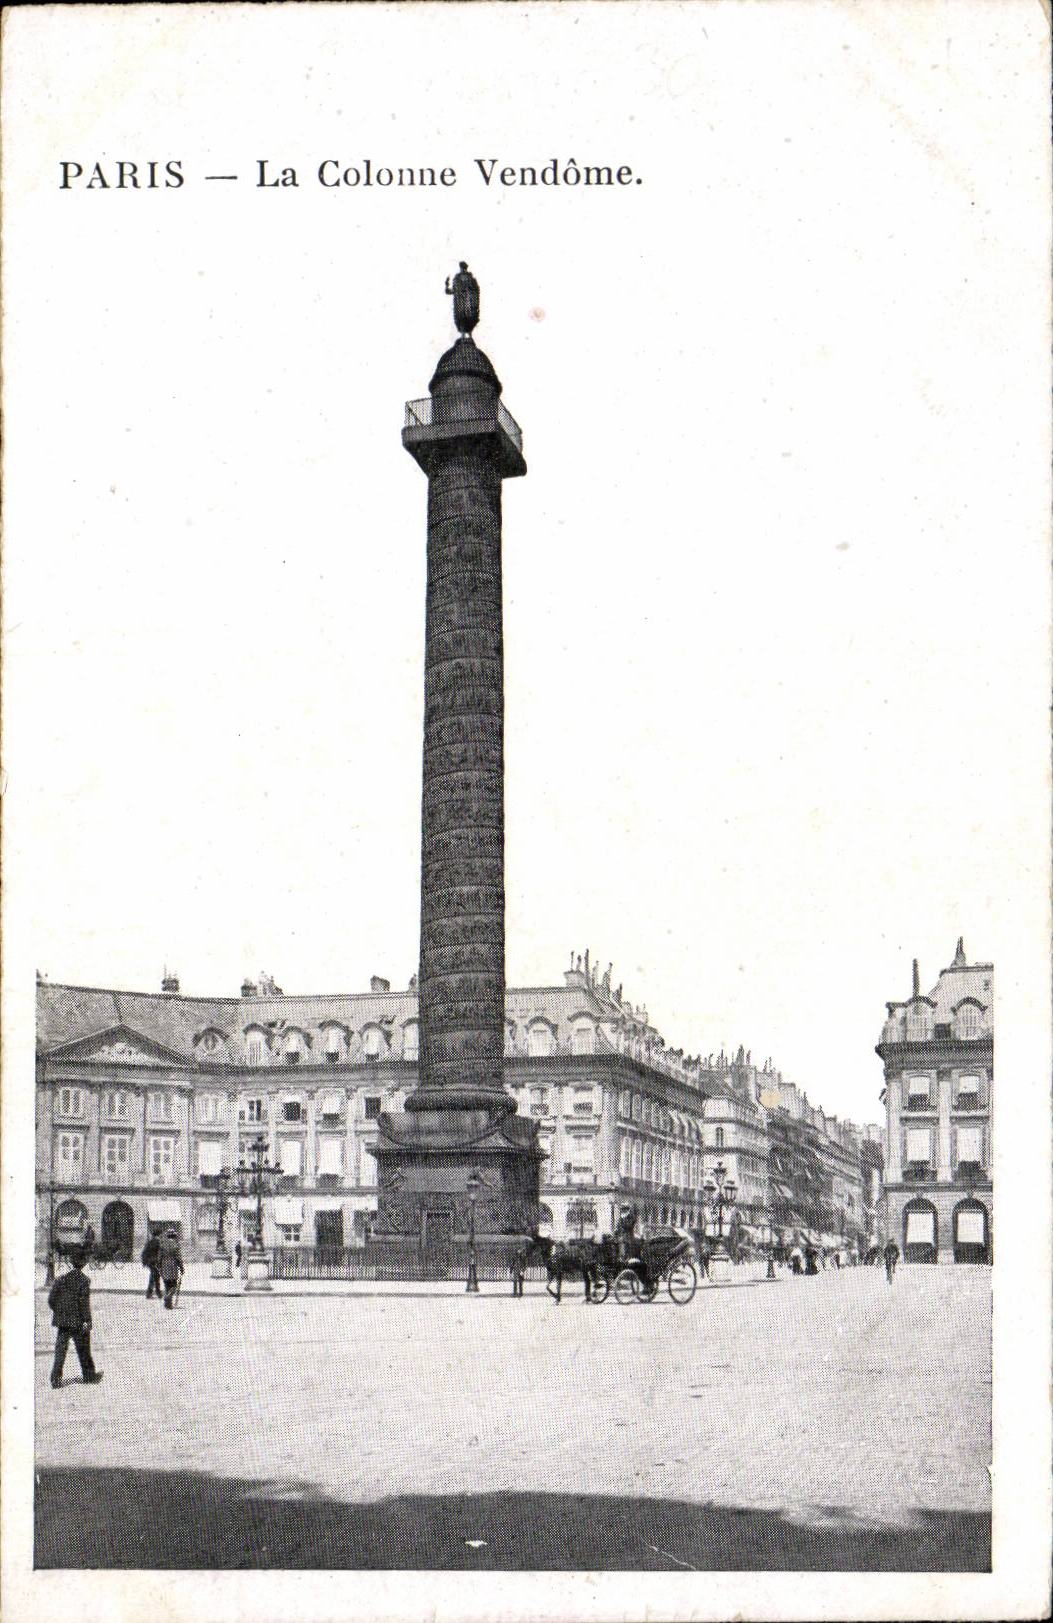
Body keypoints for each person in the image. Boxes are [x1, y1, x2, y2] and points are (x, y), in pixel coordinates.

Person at [48, 1248, 103, 1388]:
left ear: (71, 1263)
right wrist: (87, 1320)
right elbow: (84, 1302)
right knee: (83, 1348)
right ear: (84, 1263)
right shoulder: (84, 1281)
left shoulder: (61, 1279)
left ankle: (55, 1378)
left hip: (63, 1321)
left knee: (60, 1349)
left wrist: (60, 1312)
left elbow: (51, 1300)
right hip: (78, 1320)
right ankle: (89, 1375)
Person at [157, 1227, 184, 1308]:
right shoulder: (176, 1245)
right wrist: (182, 1268)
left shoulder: (162, 1245)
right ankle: (168, 1297)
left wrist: (159, 1266)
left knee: (166, 1285)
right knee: (174, 1285)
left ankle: (168, 1304)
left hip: (164, 1266)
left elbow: (159, 1257)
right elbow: (178, 1258)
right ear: (174, 1236)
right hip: (173, 1266)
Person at [141, 1231, 162, 1299]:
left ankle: (158, 1293)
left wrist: (144, 1262)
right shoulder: (159, 1242)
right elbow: (160, 1253)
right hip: (155, 1262)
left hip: (150, 1262)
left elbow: (144, 1252)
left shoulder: (149, 1242)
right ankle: (150, 1293)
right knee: (154, 1277)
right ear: (158, 1235)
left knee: (155, 1277)